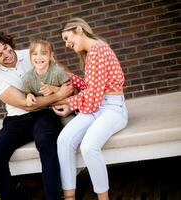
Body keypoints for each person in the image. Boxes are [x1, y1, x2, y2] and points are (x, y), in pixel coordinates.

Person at [0, 30, 73, 200]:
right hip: (17, 119)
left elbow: (62, 75)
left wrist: (55, 65)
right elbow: (25, 104)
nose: (8, 54)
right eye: (0, 55)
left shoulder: (30, 55)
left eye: (6, 48)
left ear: (8, 42)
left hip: (44, 113)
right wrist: (58, 96)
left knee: (46, 142)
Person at [52, 18, 128, 200]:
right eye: (63, 41)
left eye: (67, 37)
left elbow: (93, 99)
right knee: (63, 140)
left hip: (112, 108)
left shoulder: (98, 50)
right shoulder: (92, 52)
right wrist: (67, 76)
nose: (66, 44)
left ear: (79, 29)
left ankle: (103, 198)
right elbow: (90, 86)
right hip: (98, 107)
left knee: (88, 146)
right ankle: (69, 196)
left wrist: (70, 103)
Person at [22, 38, 74, 125]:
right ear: (30, 57)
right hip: (43, 113)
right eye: (35, 54)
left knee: (72, 125)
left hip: (62, 108)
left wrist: (55, 89)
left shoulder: (58, 72)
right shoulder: (27, 78)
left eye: (43, 53)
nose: (38, 57)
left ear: (50, 56)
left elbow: (71, 90)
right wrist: (29, 95)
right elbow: (27, 93)